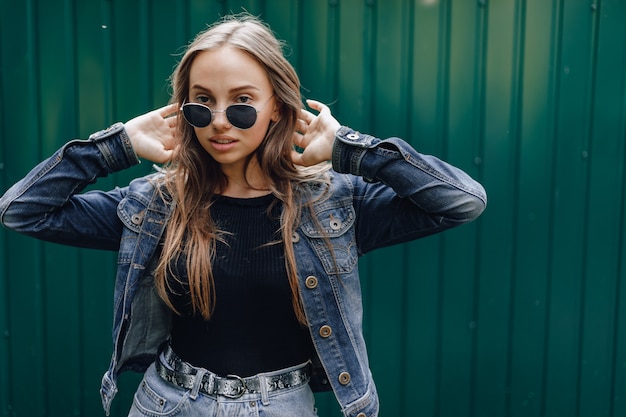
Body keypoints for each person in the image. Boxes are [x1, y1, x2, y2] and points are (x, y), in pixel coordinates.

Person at [0, 13, 486, 417]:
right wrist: (116, 146)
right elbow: (21, 211)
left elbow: (462, 200)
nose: (218, 121)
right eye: (202, 102)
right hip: (169, 403)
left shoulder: (334, 205)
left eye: (243, 103)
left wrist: (351, 151)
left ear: (278, 107)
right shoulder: (155, 204)